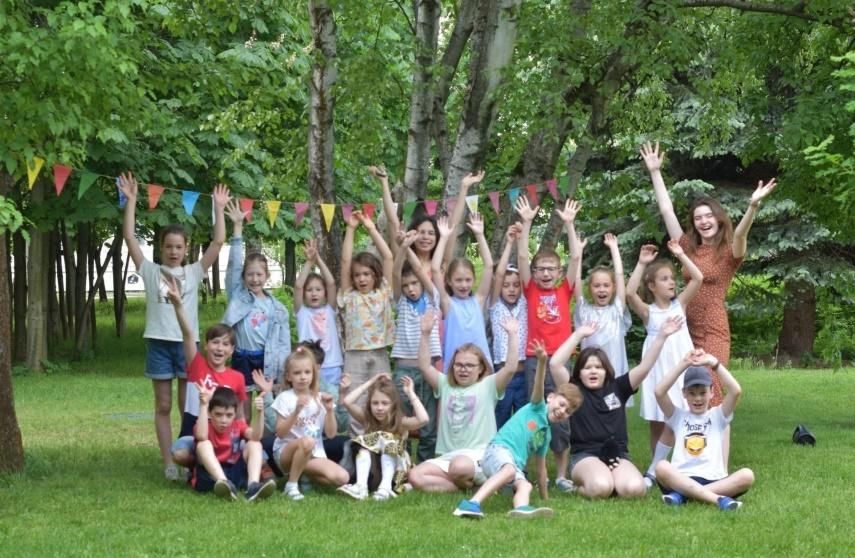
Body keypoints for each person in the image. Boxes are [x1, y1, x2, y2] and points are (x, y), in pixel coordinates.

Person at [640, 141, 777, 404]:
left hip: (714, 327)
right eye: (698, 218)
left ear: (718, 218)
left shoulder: (729, 253)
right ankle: (691, 443)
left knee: (711, 383)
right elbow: (667, 210)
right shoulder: (687, 248)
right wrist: (655, 172)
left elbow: (740, 233)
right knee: (687, 388)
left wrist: (753, 206)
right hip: (683, 326)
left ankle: (716, 442)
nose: (703, 222)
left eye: (708, 216)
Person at [118, 172, 229, 480]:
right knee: (163, 404)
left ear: (186, 248)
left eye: (179, 246)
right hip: (158, 343)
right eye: (168, 246)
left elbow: (219, 241)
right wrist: (131, 201)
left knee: (187, 406)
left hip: (187, 346)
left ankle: (189, 457)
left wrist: (218, 209)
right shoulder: (150, 271)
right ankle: (169, 462)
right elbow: (129, 237)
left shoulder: (194, 272)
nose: (174, 251)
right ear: (161, 248)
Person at [549, 316, 683, 500]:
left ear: (607, 371)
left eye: (598, 367)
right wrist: (578, 334)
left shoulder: (618, 387)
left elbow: (645, 367)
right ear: (579, 373)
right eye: (587, 368)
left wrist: (662, 336)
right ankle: (579, 487)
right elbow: (555, 364)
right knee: (601, 487)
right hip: (585, 456)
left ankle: (611, 478)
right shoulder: (573, 391)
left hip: (617, 454)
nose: (594, 371)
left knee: (635, 489)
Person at [454, 341, 582, 519]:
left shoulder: (546, 434)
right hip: (497, 451)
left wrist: (545, 499)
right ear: (551, 397)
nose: (562, 411)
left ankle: (521, 508)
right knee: (509, 471)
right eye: (561, 404)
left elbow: (541, 469)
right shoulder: (536, 407)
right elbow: (539, 384)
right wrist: (542, 362)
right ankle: (471, 504)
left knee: (526, 485)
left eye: (568, 411)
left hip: (512, 465)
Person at [407, 311, 521, 492]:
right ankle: (466, 488)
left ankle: (478, 481)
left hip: (479, 457)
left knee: (459, 467)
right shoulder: (445, 384)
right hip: (447, 457)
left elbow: (510, 368)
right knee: (415, 476)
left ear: (481, 368)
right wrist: (425, 334)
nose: (463, 370)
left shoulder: (488, 385)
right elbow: (424, 366)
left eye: (469, 366)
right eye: (458, 365)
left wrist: (513, 335)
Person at [516, 196, 583, 492]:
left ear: (558, 273)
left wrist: (569, 225)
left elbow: (576, 260)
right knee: (537, 411)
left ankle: (561, 475)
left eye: (550, 269)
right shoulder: (529, 289)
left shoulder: (564, 291)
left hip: (561, 359)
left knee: (562, 411)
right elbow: (520, 259)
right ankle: (534, 469)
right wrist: (527, 222)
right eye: (540, 268)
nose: (545, 274)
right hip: (535, 358)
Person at [626, 241, 702, 486]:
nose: (671, 282)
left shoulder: (680, 304)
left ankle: (684, 464)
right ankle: (657, 467)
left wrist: (681, 254)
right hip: (658, 370)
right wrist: (641, 263)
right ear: (651, 285)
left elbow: (698, 278)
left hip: (681, 368)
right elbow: (629, 294)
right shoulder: (649, 312)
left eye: (672, 278)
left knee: (685, 416)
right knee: (658, 422)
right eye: (664, 279)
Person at [163, 276, 247, 471]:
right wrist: (178, 306)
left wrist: (248, 437)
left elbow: (241, 416)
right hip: (195, 431)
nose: (220, 348)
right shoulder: (197, 364)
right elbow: (188, 334)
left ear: (232, 350)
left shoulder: (237, 378)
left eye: (225, 344)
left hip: (225, 435)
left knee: (252, 450)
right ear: (207, 345)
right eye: (215, 342)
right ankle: (201, 466)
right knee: (179, 453)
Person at [654, 351, 755, 510]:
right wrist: (684, 363)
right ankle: (719, 500)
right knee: (661, 466)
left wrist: (715, 364)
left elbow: (736, 391)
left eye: (703, 393)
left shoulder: (718, 416)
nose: (698, 398)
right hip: (680, 478)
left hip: (713, 480)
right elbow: (659, 392)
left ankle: (683, 496)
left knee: (747, 475)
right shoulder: (678, 416)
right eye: (692, 393)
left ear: (712, 392)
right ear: (684, 394)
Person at [222, 200, 291, 417]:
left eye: (259, 274)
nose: (254, 279)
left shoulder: (277, 308)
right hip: (242, 356)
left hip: (266, 359)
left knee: (267, 406)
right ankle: (244, 443)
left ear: (267, 276)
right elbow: (234, 264)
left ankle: (265, 445)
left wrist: (284, 370)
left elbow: (283, 343)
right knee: (242, 407)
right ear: (243, 278)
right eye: (250, 274)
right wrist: (237, 228)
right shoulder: (238, 296)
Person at [338, 210, 395, 434]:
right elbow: (344, 261)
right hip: (355, 355)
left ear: (375, 276)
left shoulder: (383, 292)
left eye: (367, 274)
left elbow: (389, 257)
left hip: (379, 354)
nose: (361, 278)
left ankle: (384, 445)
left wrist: (370, 227)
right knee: (356, 402)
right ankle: (358, 449)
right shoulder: (349, 295)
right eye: (357, 275)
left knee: (384, 400)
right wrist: (351, 228)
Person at [271, 347, 349, 500]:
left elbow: (332, 434)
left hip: (313, 454)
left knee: (342, 477)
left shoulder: (320, 398)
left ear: (314, 374)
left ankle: (304, 476)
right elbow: (280, 433)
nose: (302, 377)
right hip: (285, 453)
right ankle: (291, 485)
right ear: (288, 376)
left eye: (307, 372)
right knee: (307, 442)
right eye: (297, 373)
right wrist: (296, 412)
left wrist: (329, 410)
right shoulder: (284, 397)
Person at [390, 233, 441, 462]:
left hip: (427, 370)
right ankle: (403, 462)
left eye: (414, 284)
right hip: (403, 368)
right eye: (406, 285)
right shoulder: (400, 300)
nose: (411, 289)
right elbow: (394, 271)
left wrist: (409, 247)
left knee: (427, 419)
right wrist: (402, 248)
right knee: (402, 419)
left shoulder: (432, 298)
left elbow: (420, 271)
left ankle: (425, 462)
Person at [338, 374, 429, 500]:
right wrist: (372, 381)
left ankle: (385, 489)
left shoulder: (401, 421)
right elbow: (348, 401)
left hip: (395, 475)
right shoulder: (368, 419)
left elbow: (423, 419)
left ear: (393, 405)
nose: (379, 408)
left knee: (387, 440)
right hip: (374, 472)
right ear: (369, 404)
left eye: (385, 403)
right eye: (375, 403)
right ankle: (361, 486)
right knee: (364, 447)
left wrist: (411, 393)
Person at [573, 233, 631, 404]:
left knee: (613, 411)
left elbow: (620, 276)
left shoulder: (616, 311)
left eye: (606, 285)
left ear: (613, 288)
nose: (601, 289)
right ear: (589, 289)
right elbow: (576, 280)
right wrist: (579, 251)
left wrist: (614, 249)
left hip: (614, 372)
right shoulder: (584, 312)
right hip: (589, 372)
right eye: (596, 285)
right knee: (590, 411)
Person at [191, 385, 276, 502]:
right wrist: (204, 405)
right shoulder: (204, 426)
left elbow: (256, 437)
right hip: (209, 476)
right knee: (203, 444)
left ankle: (253, 487)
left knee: (254, 444)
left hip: (234, 472)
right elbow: (201, 436)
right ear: (210, 414)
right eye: (218, 414)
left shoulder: (237, 425)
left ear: (235, 415)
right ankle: (224, 483)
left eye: (229, 415)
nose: (224, 420)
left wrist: (259, 413)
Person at [433, 213, 494, 371]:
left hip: (480, 368)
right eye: (458, 280)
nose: (463, 285)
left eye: (467, 280)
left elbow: (488, 266)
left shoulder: (478, 301)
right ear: (449, 281)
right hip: (455, 370)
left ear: (474, 280)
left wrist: (480, 235)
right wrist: (444, 238)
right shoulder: (447, 303)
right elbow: (435, 269)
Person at [490, 223, 528, 428]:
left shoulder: (525, 304)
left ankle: (519, 455)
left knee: (522, 421)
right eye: (506, 286)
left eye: (516, 285)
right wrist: (509, 243)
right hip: (502, 375)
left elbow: (524, 269)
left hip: (523, 374)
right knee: (500, 419)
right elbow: (498, 275)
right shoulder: (495, 306)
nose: (511, 289)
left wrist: (521, 241)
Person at [294, 239, 343, 397]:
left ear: (325, 293)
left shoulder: (330, 309)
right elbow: (298, 286)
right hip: (308, 368)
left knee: (333, 406)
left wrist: (318, 259)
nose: (314, 293)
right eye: (309, 290)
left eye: (318, 289)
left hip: (333, 366)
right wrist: (309, 262)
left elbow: (331, 283)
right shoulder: (302, 312)